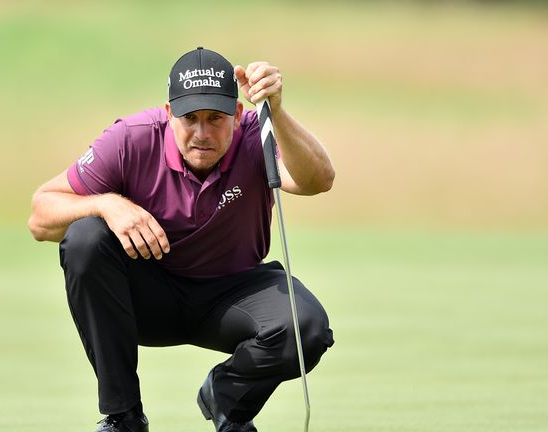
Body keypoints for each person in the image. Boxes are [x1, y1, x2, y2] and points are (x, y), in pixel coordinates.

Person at [28, 47, 335, 432]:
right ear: (169, 112)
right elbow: (41, 216)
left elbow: (317, 180)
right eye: (190, 118)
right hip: (147, 297)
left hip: (234, 295)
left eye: (215, 118)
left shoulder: (257, 134)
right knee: (85, 238)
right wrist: (107, 205)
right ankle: (123, 416)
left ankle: (227, 400)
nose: (202, 133)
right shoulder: (132, 139)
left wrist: (277, 110)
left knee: (306, 327)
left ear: (238, 116)